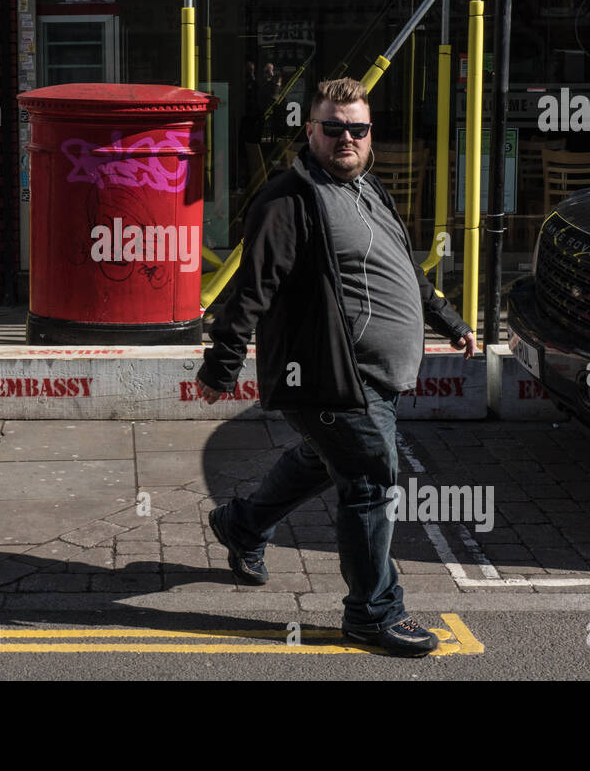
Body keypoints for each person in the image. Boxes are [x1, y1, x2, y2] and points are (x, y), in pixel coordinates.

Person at [195, 76, 476, 658]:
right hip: (327, 376)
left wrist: (449, 320)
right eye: (334, 127)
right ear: (310, 130)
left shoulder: (370, 190)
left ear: (371, 135)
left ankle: (242, 526)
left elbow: (407, 272)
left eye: (358, 128)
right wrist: (221, 365)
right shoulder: (289, 200)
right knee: (372, 480)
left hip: (377, 379)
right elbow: (251, 291)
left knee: (321, 461)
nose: (346, 137)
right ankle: (373, 614)